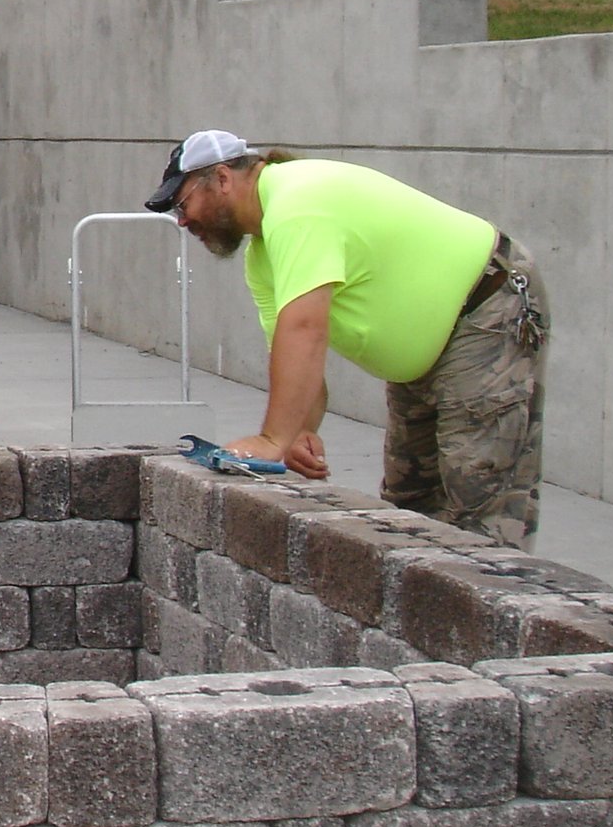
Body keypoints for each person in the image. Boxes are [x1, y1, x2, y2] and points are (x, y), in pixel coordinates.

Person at [146, 130, 550, 545]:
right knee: (411, 503)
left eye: (183, 203)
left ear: (223, 179)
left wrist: (272, 440)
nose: (182, 220)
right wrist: (301, 433)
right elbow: (295, 357)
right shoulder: (262, 255)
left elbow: (306, 330)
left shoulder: (297, 204)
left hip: (486, 309)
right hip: (432, 347)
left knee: (478, 503)